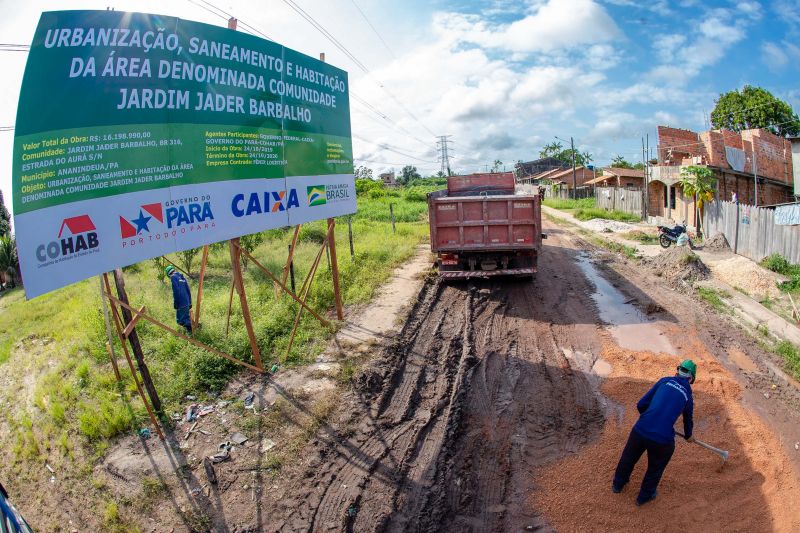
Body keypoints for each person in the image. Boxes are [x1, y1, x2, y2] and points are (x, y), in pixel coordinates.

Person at [612, 360, 696, 506]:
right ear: (691, 378)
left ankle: (618, 484)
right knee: (656, 466)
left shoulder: (664, 381)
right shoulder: (687, 396)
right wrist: (688, 435)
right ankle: (644, 496)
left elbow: (641, 404)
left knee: (629, 457)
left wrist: (649, 418)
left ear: (677, 372)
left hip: (640, 429)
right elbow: (687, 421)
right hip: (662, 440)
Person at [166, 265, 192, 334]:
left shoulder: (173, 277)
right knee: (185, 318)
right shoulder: (182, 277)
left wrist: (176, 304)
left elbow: (176, 292)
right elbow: (188, 290)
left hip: (181, 303)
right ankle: (191, 330)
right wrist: (190, 302)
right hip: (187, 302)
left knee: (180, 321)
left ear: (168, 274)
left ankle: (191, 331)